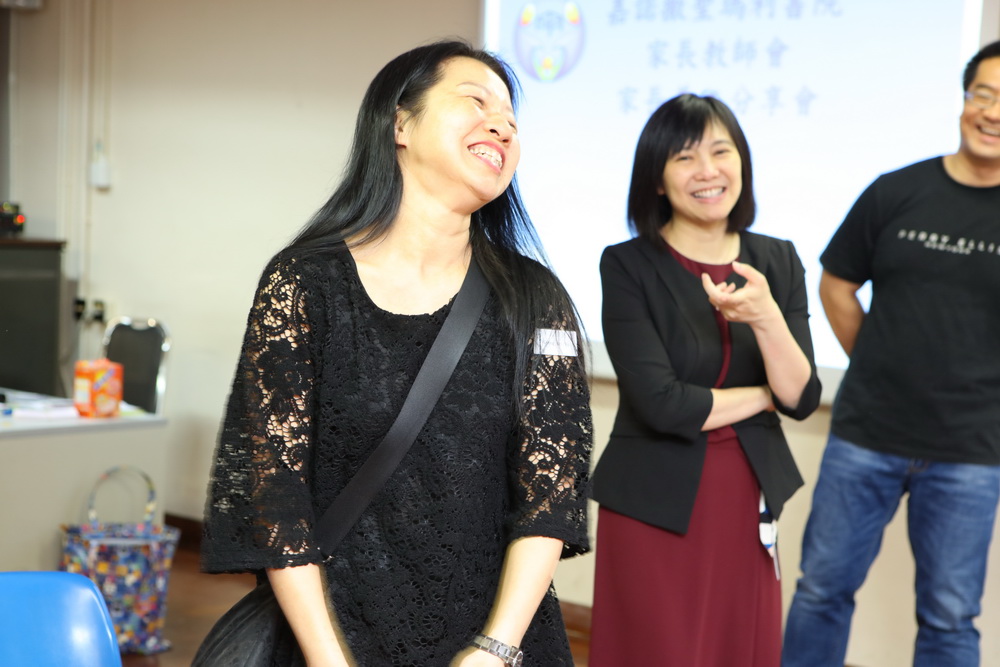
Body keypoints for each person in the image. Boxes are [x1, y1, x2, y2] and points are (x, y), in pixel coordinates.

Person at [199, 40, 593, 667]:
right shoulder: (304, 283)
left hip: (498, 641)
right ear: (400, 124)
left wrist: (495, 649)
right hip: (331, 635)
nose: (502, 126)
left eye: (512, 120)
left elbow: (551, 494)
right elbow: (275, 497)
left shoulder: (535, 298)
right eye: (477, 102)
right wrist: (328, 658)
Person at [782, 40, 1000, 667]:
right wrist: (878, 357)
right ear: (964, 100)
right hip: (867, 433)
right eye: (982, 95)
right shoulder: (897, 191)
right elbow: (837, 283)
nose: (991, 113)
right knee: (821, 591)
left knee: (951, 616)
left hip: (970, 449)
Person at [588, 93, 822, 666]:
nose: (708, 170)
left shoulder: (778, 259)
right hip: (653, 500)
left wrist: (766, 318)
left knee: (737, 649)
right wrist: (763, 395)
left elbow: (801, 397)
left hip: (746, 496)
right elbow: (662, 404)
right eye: (685, 157)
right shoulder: (627, 264)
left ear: (742, 162)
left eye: (721, 151)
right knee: (656, 651)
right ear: (657, 178)